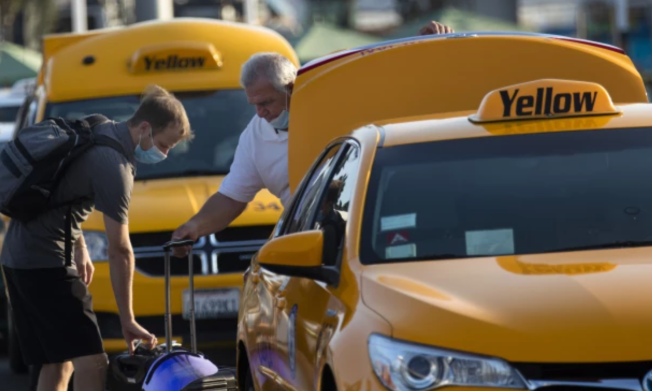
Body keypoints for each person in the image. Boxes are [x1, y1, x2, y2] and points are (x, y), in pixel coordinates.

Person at [1, 84, 193, 391]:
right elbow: (122, 248)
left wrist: (80, 245)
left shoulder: (101, 129)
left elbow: (66, 194)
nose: (163, 154)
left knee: (58, 364)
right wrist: (127, 318)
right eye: (163, 144)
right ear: (144, 128)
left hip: (19, 256)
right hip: (44, 263)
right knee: (92, 363)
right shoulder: (116, 166)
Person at [170, 22, 453, 254]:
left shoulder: (339, 106)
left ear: (292, 88)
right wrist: (194, 227)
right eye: (253, 104)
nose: (260, 113)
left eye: (266, 102)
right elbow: (231, 198)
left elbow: (396, 91)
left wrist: (424, 51)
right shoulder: (255, 135)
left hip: (377, 234)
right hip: (310, 243)